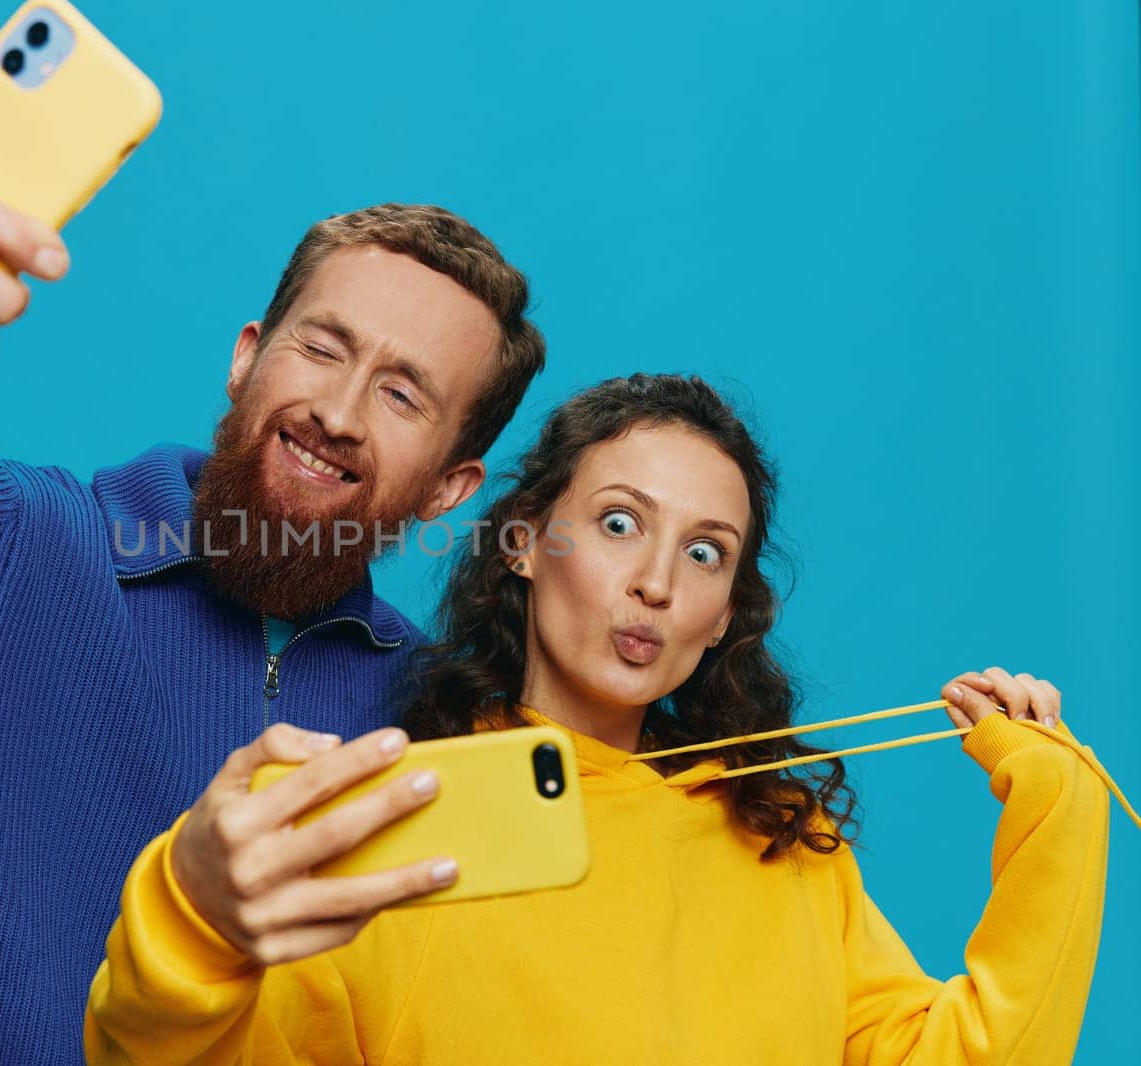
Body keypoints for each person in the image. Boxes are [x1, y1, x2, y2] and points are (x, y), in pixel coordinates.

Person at [0, 70, 544, 1062]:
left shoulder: (442, 722)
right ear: (246, 357)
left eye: (402, 394)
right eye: (323, 348)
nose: (338, 410)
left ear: (450, 488)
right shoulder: (5, 550)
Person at [86, 373, 1122, 1064]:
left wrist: (1056, 802)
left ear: (722, 619)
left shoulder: (783, 851)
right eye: (620, 524)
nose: (657, 583)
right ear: (528, 544)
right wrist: (189, 910)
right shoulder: (389, 819)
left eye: (705, 551)